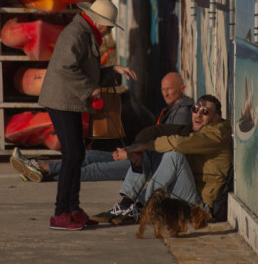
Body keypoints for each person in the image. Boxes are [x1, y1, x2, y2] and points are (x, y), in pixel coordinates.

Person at [37, 0, 137, 231]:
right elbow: (65, 68)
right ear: (99, 21)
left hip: (69, 101)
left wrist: (113, 71)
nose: (110, 29)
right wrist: (88, 89)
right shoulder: (77, 33)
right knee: (72, 156)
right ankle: (60, 213)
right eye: (109, 25)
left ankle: (73, 209)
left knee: (77, 154)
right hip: (62, 101)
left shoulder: (85, 32)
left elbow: (84, 70)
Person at [10, 72, 193, 183]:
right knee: (91, 155)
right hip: (144, 156)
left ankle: (44, 171)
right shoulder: (172, 109)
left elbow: (169, 146)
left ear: (182, 88)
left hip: (152, 166)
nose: (165, 93)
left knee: (95, 169)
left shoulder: (183, 113)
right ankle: (42, 169)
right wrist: (130, 150)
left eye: (169, 89)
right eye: (163, 89)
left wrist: (131, 153)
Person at [91, 94, 232, 226]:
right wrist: (139, 147)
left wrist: (145, 145)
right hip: (185, 195)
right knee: (149, 152)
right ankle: (126, 204)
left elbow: (178, 144)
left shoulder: (217, 135)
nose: (198, 114)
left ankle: (143, 207)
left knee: (174, 156)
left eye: (205, 112)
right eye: (195, 109)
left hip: (200, 207)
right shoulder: (193, 130)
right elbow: (155, 131)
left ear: (216, 118)